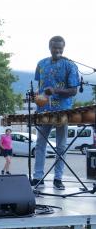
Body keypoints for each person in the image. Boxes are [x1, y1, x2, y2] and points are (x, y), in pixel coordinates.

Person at [31, 36, 79, 190]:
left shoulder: (70, 65)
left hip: (62, 110)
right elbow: (40, 86)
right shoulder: (41, 64)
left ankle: (58, 178)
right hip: (44, 110)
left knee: (61, 145)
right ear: (49, 47)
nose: (57, 50)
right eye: (54, 48)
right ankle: (38, 177)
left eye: (60, 48)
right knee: (40, 144)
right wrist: (36, 97)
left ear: (63, 48)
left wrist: (56, 90)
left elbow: (73, 90)